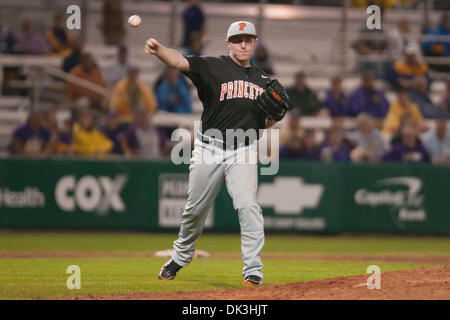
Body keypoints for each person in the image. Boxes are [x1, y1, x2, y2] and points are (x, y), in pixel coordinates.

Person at [145, 20, 289, 285]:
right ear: (228, 43)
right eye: (237, 40)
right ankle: (180, 256)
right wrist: (159, 50)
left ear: (255, 43)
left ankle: (253, 269)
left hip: (244, 149)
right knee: (194, 210)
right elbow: (180, 62)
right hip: (209, 148)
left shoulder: (265, 81)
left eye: (248, 39)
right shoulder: (213, 66)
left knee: (247, 205)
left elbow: (267, 123)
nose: (243, 44)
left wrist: (274, 118)